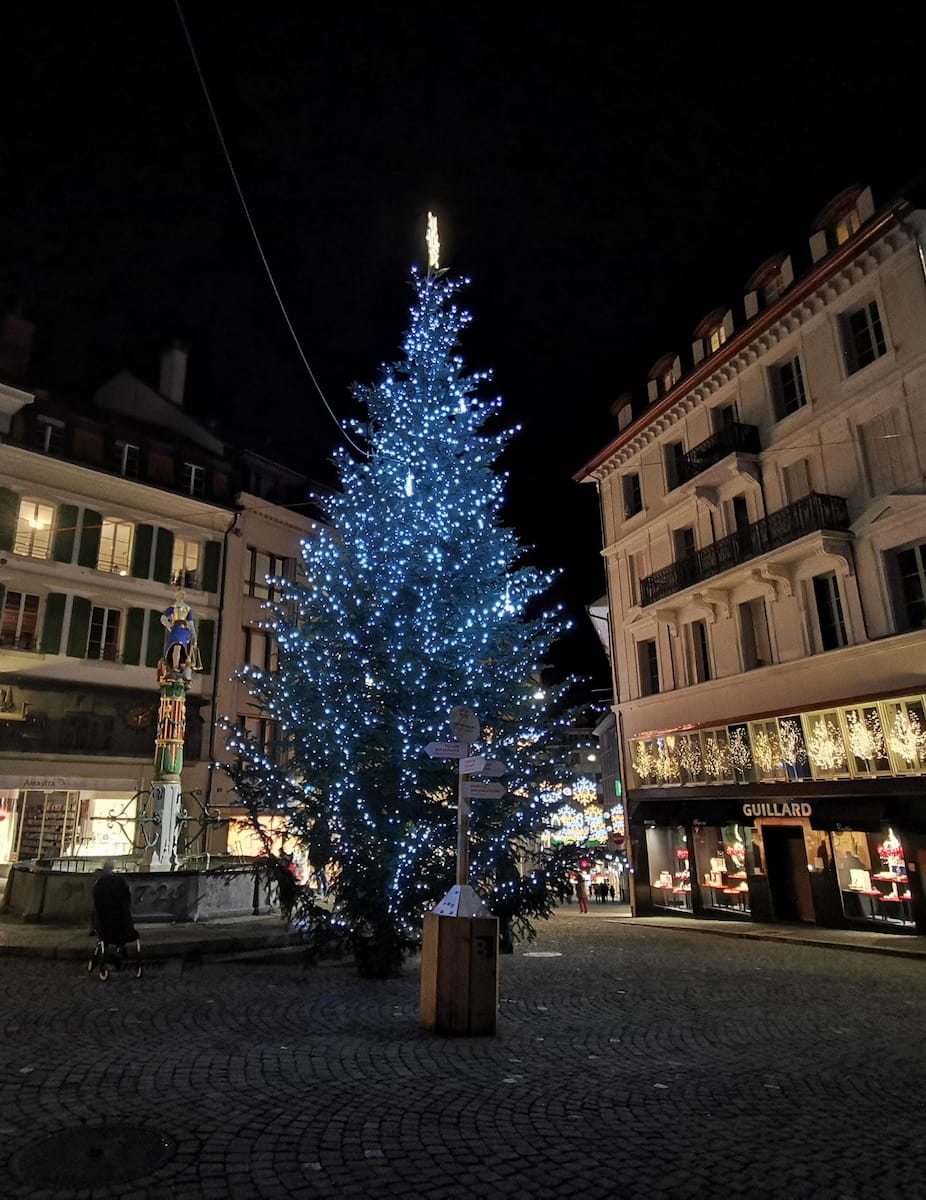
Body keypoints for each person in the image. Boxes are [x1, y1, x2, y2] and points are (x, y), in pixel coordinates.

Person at [92, 861, 137, 947]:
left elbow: (96, 905)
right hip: (122, 929)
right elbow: (127, 903)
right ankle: (121, 949)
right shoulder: (120, 883)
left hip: (105, 929)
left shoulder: (100, 884)